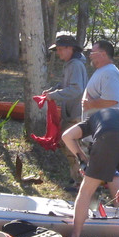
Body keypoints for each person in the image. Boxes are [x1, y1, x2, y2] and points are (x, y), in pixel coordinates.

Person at [61, 107, 119, 237]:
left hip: (107, 137)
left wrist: (82, 158)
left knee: (86, 190)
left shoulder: (92, 119)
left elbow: (67, 136)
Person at [42, 33, 88, 185]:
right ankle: (78, 180)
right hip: (71, 113)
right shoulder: (70, 64)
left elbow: (76, 89)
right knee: (67, 145)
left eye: (61, 49)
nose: (59, 52)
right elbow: (65, 85)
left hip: (76, 114)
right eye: (58, 49)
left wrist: (54, 96)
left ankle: (85, 182)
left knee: (74, 149)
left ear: (71, 48)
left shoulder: (75, 65)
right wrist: (52, 91)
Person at [81, 38, 119, 118]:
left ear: (103, 54)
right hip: (101, 126)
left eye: (92, 52)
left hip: (111, 126)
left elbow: (111, 100)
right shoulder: (103, 71)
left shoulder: (109, 72)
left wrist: (90, 104)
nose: (90, 55)